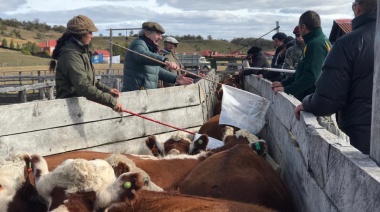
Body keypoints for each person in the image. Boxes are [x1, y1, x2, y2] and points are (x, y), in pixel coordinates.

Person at [295, 0, 377, 154]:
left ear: (357, 9)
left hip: (366, 134)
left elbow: (327, 101)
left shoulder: (348, 43)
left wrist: (307, 103)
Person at [50, 15, 123, 112]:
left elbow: (88, 80)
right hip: (68, 109)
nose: (92, 36)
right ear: (81, 34)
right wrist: (111, 101)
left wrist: (107, 90)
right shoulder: (71, 55)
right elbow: (83, 86)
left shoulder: (81, 52)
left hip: (77, 107)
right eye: (90, 32)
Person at [271, 11, 331, 101]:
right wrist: (283, 83)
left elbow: (311, 77)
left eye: (299, 28)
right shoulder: (314, 41)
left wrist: (287, 89)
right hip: (311, 99)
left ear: (303, 27)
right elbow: (300, 72)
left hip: (314, 101)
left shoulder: (316, 44)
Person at [122, 22, 193, 92]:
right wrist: (164, 61)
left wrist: (176, 78)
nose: (161, 38)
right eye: (158, 34)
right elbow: (141, 55)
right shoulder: (139, 43)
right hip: (135, 93)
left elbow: (157, 71)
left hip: (146, 93)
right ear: (147, 34)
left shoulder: (151, 48)